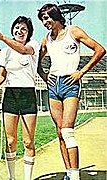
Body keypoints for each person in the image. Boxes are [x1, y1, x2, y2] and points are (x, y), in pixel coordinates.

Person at [37, 3, 106, 180]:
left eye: (47, 18)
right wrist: (45, 75)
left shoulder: (73, 31)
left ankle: (75, 176)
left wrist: (81, 72)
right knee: (59, 132)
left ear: (56, 15)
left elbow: (100, 50)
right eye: (42, 19)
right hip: (53, 85)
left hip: (70, 82)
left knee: (67, 131)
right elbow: (36, 63)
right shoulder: (46, 39)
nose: (45, 22)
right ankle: (69, 172)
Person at [0, 16, 39, 180]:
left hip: (27, 95)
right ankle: (12, 177)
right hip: (10, 95)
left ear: (29, 32)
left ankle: (27, 178)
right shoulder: (5, 51)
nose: (20, 31)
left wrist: (1, 37)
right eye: (17, 28)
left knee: (28, 142)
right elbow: (2, 76)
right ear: (12, 30)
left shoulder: (33, 45)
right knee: (10, 141)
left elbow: (22, 50)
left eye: (24, 29)